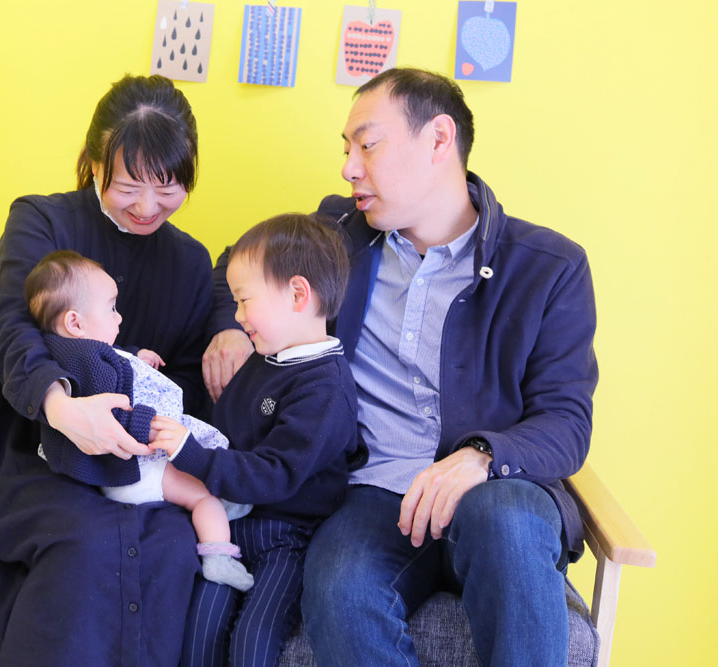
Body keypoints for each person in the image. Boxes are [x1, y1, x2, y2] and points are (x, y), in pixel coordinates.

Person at [204, 68, 598, 666]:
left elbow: (567, 422)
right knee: (339, 587)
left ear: (438, 139)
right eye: (346, 148)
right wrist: (232, 328)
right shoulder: (337, 234)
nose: (348, 167)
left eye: (367, 144)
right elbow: (232, 264)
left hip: (494, 489)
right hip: (374, 493)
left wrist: (480, 457)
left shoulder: (549, 267)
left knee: (510, 525)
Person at [0, 74, 215, 665]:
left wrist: (148, 404)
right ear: (92, 163)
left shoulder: (192, 264)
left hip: (133, 461)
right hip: (20, 452)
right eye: (129, 186)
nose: (147, 207)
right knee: (91, 538)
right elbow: (11, 327)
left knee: (171, 545)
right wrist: (62, 408)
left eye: (167, 188)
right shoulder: (41, 220)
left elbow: (189, 383)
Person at [151, 213, 363, 667]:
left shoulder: (326, 389)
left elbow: (275, 473)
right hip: (228, 524)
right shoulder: (265, 356)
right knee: (197, 632)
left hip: (286, 537)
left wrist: (190, 452)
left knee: (252, 644)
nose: (238, 316)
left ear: (298, 294)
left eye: (245, 301)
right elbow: (224, 430)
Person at [23, 249, 254, 592]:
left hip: (129, 471)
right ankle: (219, 555)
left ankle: (220, 508)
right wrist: (151, 425)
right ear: (75, 323)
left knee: (199, 477)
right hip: (137, 469)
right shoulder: (85, 358)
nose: (119, 317)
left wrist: (135, 355)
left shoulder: (72, 352)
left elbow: (111, 366)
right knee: (203, 497)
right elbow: (113, 407)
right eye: (111, 308)